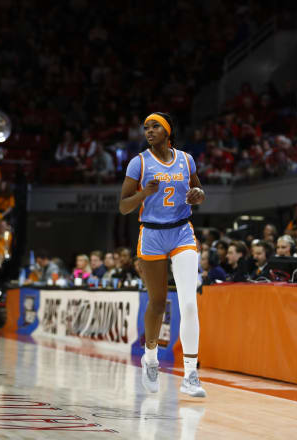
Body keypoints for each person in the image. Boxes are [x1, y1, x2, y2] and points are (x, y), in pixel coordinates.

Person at [119, 112, 206, 397]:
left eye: (155, 126)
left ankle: (191, 374)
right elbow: (123, 207)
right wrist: (144, 193)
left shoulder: (186, 159)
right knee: (157, 303)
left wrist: (197, 195)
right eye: (146, 127)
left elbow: (198, 190)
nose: (149, 131)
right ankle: (151, 358)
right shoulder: (139, 162)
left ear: (168, 130)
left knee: (189, 303)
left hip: (182, 231)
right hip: (152, 234)